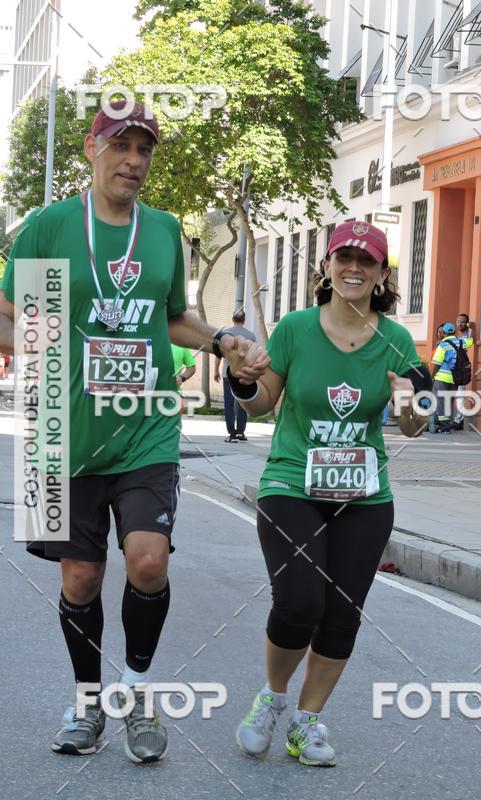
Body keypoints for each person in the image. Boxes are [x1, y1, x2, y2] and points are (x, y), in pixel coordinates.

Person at [0, 99, 269, 763]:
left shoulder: (164, 232)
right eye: (121, 146)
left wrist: (223, 340)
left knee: (147, 560)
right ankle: (88, 701)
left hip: (145, 426)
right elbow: (8, 312)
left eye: (144, 149)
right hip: (62, 427)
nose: (134, 161)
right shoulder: (51, 227)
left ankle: (139, 693)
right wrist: (43, 344)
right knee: (80, 582)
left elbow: (172, 317)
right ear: (92, 150)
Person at [232, 221, 432, 767]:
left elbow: (413, 424)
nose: (354, 267)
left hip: (364, 495)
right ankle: (272, 699)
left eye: (366, 261)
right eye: (343, 257)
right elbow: (261, 403)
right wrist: (245, 382)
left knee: (342, 612)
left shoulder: (397, 340)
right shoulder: (296, 328)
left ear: (381, 273)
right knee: (299, 602)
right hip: (292, 483)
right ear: (326, 266)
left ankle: (307, 720)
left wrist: (412, 404)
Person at [213, 309, 257, 442]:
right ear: (244, 320)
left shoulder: (225, 334)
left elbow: (218, 356)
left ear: (233, 319)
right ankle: (241, 432)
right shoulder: (251, 335)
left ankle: (232, 434)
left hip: (228, 374)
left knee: (229, 403)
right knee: (243, 403)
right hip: (244, 374)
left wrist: (215, 370)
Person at [431, 322, 473, 432]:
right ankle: (445, 424)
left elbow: (436, 365)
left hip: (442, 378)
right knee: (449, 401)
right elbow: (471, 340)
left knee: (440, 402)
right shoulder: (461, 342)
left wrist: (432, 377)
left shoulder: (442, 345)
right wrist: (473, 329)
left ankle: (444, 427)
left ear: (444, 333)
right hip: (455, 379)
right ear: (454, 332)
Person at [453, 313, 475, 430]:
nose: (460, 324)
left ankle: (459, 420)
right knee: (458, 395)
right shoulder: (459, 336)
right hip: (457, 369)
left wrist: (473, 329)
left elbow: (471, 341)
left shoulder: (466, 336)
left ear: (466, 323)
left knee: (460, 395)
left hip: (462, 369)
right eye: (458, 321)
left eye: (462, 322)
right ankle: (457, 418)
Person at [171, 344, 196, 413]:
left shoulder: (180, 344)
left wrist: (182, 378)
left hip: (174, 395)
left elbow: (192, 368)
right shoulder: (153, 341)